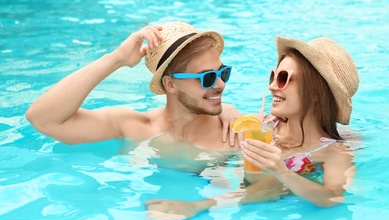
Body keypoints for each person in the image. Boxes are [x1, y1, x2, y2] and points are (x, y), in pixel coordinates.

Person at [144, 35, 359, 220]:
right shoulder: (263, 126)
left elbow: (332, 198)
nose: (272, 86)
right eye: (273, 76)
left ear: (316, 93)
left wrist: (282, 172)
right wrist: (224, 110)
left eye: (284, 79)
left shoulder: (334, 153)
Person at [25, 21, 241, 152]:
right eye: (207, 77)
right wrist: (116, 59)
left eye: (223, 73)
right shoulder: (135, 129)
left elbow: (264, 191)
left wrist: (195, 207)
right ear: (170, 84)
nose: (221, 84)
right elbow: (42, 118)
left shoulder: (235, 134)